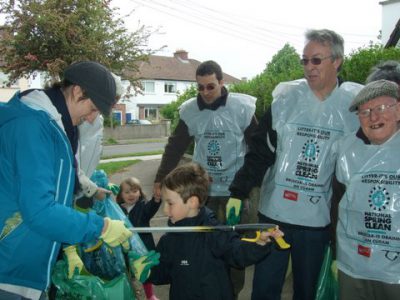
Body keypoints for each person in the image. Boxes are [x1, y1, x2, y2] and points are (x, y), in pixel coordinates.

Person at [228, 29, 363, 300]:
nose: (308, 67)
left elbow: (357, 169)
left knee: (308, 291)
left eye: (316, 60)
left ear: (336, 61)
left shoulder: (353, 108)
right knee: (264, 288)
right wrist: (238, 191)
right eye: (305, 60)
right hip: (274, 213)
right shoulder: (286, 101)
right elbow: (260, 151)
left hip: (316, 221)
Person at [0, 61, 133, 300]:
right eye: (93, 108)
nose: (92, 118)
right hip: (9, 270)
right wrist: (100, 227)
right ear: (77, 91)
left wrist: (68, 247)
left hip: (25, 267)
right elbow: (40, 211)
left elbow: (54, 198)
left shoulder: (54, 129)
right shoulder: (32, 127)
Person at [153, 60, 258, 297]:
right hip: (202, 192)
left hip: (234, 192)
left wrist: (245, 187)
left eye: (210, 86)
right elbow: (175, 146)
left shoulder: (242, 108)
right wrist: (160, 178)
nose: (205, 93)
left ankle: (230, 292)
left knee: (231, 244)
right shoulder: (190, 110)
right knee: (198, 244)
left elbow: (257, 149)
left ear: (221, 82)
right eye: (200, 87)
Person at [144, 162, 283, 300]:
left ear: (192, 202)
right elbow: (163, 274)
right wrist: (148, 271)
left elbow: (238, 253)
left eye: (170, 203)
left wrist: (259, 244)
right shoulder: (168, 240)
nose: (165, 210)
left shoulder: (215, 232)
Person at [333, 79, 400, 300]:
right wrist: (334, 253)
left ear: (398, 110)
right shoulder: (347, 151)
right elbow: (337, 204)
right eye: (365, 112)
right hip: (353, 266)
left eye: (381, 108)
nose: (373, 117)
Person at [116, 177, 161, 300]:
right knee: (128, 272)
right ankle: (132, 293)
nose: (131, 194)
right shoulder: (118, 209)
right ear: (121, 194)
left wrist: (156, 199)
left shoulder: (143, 206)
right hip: (125, 248)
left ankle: (150, 295)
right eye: (127, 192)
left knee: (145, 272)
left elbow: (151, 208)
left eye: (135, 191)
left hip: (142, 246)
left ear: (140, 193)